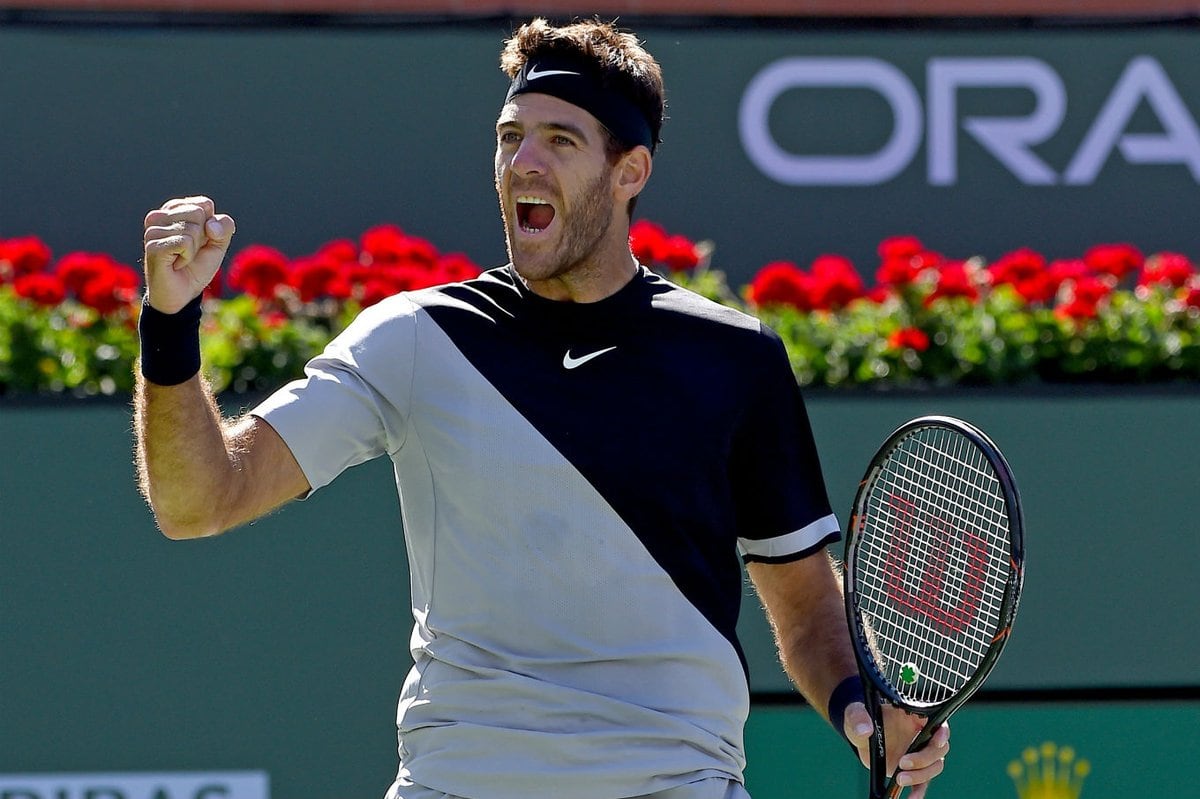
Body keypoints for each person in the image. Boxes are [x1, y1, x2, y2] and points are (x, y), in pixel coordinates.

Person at [134, 17, 950, 799]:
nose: (524, 161)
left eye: (560, 141)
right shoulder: (414, 341)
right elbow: (202, 498)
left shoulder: (734, 359)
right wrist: (170, 325)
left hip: (674, 780)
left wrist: (860, 704)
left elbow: (806, 607)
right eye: (509, 136)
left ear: (629, 172)